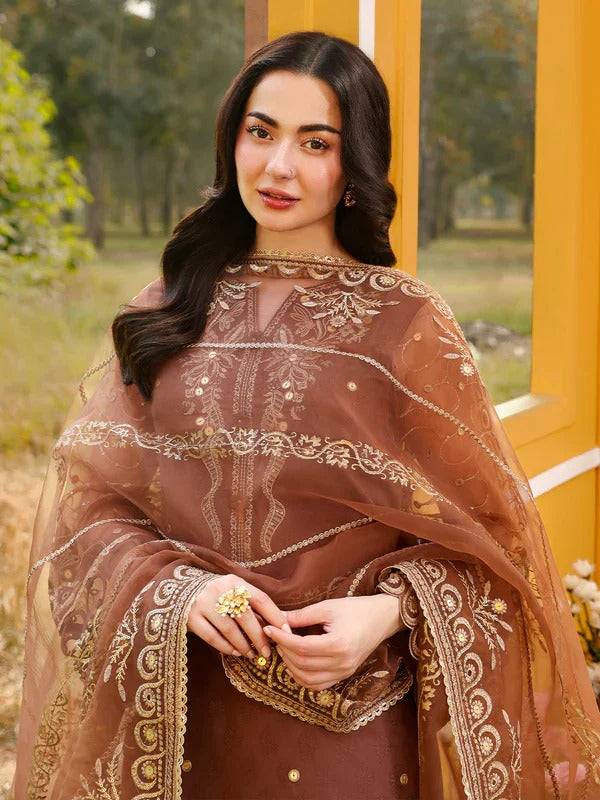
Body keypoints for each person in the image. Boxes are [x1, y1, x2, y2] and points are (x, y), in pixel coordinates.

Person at [11, 30, 600, 800]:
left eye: (315, 143)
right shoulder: (167, 310)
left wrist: (385, 615)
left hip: (347, 731)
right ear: (232, 143)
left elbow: (496, 547)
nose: (279, 166)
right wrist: (179, 594)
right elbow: (88, 514)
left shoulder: (406, 322)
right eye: (261, 132)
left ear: (354, 167)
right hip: (176, 715)